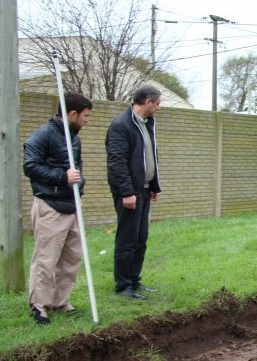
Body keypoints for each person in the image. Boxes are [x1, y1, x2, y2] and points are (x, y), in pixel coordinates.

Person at [23, 91, 93, 324]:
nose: (87, 120)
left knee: (71, 257)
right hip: (50, 206)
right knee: (46, 258)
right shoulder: (43, 135)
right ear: (72, 114)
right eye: (85, 115)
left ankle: (59, 301)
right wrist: (63, 177)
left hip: (72, 206)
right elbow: (31, 166)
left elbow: (78, 169)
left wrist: (79, 185)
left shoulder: (74, 137)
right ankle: (38, 305)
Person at [106, 85, 162, 300]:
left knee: (141, 237)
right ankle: (123, 286)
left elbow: (149, 158)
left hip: (144, 190)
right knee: (127, 239)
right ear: (147, 102)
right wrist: (127, 192)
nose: (158, 108)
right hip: (129, 193)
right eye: (157, 103)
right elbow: (117, 162)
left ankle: (134, 280)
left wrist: (153, 186)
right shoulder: (122, 125)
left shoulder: (147, 124)